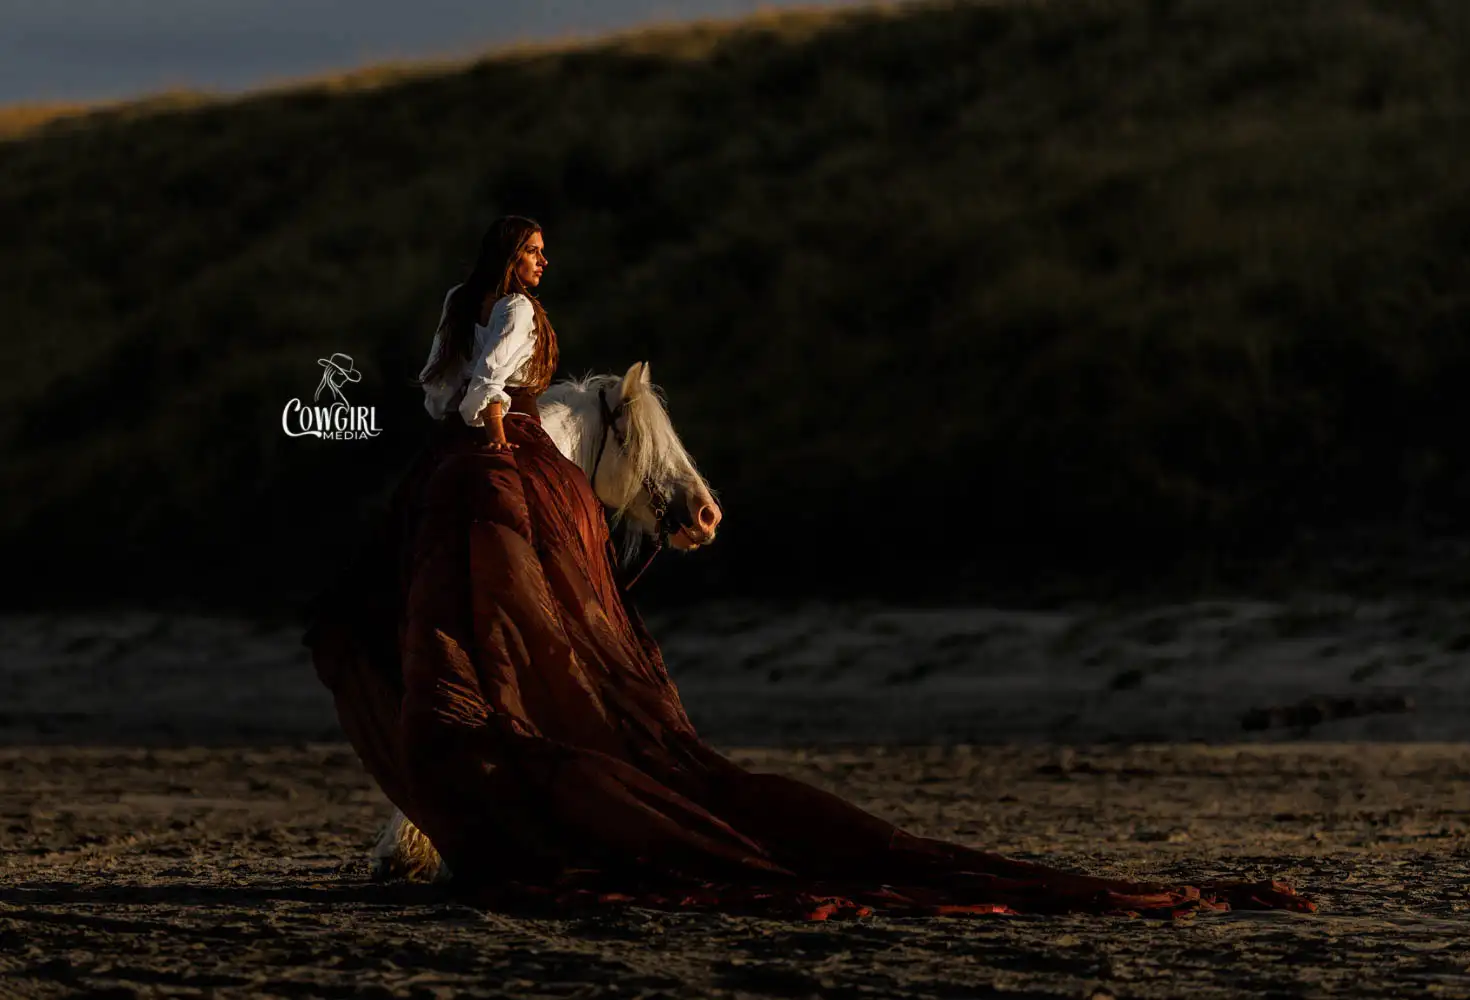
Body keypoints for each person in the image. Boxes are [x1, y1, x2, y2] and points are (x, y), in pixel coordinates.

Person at [302, 216, 1315, 920]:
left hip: (447, 454)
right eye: (531, 250)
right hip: (500, 450)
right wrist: (495, 425)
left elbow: (436, 383)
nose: (540, 261)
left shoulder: (462, 301)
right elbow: (482, 383)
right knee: (545, 620)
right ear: (512, 255)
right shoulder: (523, 332)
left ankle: (428, 815)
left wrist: (464, 420)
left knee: (445, 631)